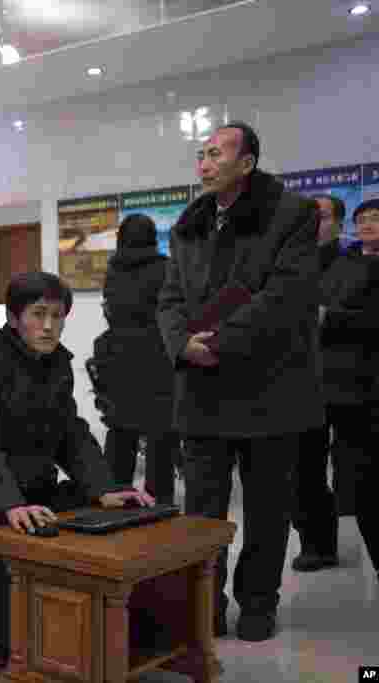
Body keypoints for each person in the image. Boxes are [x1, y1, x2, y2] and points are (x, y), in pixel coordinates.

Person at [157, 122, 322, 642]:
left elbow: (287, 295)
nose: (204, 164)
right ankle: (203, 606)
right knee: (202, 515)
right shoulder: (190, 225)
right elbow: (169, 299)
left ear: (247, 163)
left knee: (267, 511)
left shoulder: (291, 215)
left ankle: (257, 604)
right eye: (200, 154)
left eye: (216, 154)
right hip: (203, 395)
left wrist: (219, 342)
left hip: (271, 390)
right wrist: (181, 343)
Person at [0, 271, 154, 683]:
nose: (49, 326)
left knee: (106, 527)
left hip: (38, 487)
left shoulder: (58, 363)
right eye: (38, 314)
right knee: (2, 548)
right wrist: (9, 503)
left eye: (58, 316)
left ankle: (78, 647)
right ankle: (0, 663)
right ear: (14, 319)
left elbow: (72, 436)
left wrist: (106, 489)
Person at [317, 198, 379, 577]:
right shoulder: (343, 262)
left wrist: (332, 317)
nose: (368, 224)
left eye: (376, 218)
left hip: (370, 381)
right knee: (358, 476)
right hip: (338, 382)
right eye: (363, 219)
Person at [101, 214, 180, 504]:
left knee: (120, 431)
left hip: (118, 359)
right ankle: (159, 500)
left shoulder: (113, 270)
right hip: (158, 359)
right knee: (161, 435)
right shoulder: (166, 269)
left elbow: (109, 312)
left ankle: (115, 495)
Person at [289, 194, 345, 572]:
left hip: (352, 382)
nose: (313, 224)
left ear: (339, 224)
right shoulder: (291, 265)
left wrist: (331, 317)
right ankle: (317, 543)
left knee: (358, 469)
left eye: (322, 217)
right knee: (304, 467)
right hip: (301, 381)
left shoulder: (356, 264)